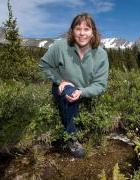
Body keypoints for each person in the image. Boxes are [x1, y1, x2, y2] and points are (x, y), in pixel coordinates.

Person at [39, 13, 109, 158]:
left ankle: (78, 116)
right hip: (64, 89)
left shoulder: (101, 54)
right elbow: (44, 65)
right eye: (78, 29)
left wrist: (82, 92)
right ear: (72, 31)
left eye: (86, 29)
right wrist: (60, 80)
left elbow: (100, 84)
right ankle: (72, 138)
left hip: (84, 91)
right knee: (69, 91)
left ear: (93, 32)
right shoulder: (60, 47)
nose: (82, 33)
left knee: (75, 93)